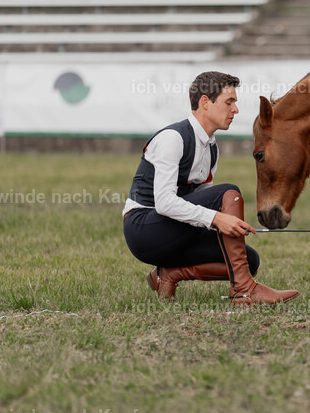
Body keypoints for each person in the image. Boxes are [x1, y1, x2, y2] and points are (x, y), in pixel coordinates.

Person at [122, 71, 298, 305]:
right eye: (229, 102)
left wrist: (226, 225)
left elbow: (201, 203)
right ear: (205, 102)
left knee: (249, 260)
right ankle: (244, 290)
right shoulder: (172, 138)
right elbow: (164, 203)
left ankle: (169, 274)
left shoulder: (212, 148)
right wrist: (217, 218)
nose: (235, 110)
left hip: (176, 230)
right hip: (144, 230)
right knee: (228, 192)